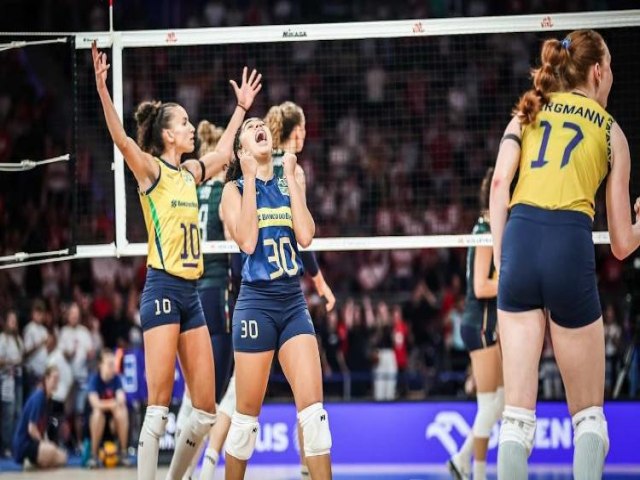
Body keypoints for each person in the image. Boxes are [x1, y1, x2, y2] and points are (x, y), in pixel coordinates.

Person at [91, 41, 262, 480]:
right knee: (158, 406)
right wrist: (103, 89)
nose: (190, 128)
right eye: (184, 123)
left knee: (205, 409)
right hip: (162, 288)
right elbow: (121, 140)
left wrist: (241, 109)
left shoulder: (188, 174)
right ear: (168, 135)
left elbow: (222, 155)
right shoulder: (152, 172)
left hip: (191, 294)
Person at [490, 30, 640, 480]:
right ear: (597, 71)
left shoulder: (529, 109)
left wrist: (501, 258)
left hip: (520, 239)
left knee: (516, 418)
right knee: (589, 418)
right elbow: (621, 243)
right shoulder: (612, 132)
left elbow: (499, 184)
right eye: (610, 66)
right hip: (569, 244)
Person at [220, 117, 332, 479]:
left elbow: (306, 236)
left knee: (315, 417)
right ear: (241, 149)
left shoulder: (291, 176)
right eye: (250, 126)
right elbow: (248, 241)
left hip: (293, 300)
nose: (259, 126)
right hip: (256, 303)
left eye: (261, 123)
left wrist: (293, 180)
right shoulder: (234, 190)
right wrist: (251, 176)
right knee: (245, 422)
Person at [448, 168, 504, 480]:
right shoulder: (484, 230)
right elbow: (481, 287)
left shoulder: (492, 229)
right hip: (478, 324)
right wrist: (513, 280)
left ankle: (468, 464)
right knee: (489, 405)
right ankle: (467, 464)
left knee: (500, 401)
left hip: (487, 324)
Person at [12, 365, 67, 470]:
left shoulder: (49, 400)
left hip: (34, 442)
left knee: (62, 458)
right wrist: (44, 443)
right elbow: (31, 428)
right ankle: (28, 460)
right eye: (54, 378)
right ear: (46, 379)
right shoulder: (39, 397)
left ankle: (37, 462)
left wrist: (47, 443)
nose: (56, 382)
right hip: (25, 444)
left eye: (58, 379)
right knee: (52, 451)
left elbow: (43, 428)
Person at [58, 302, 94, 449]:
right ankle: (63, 442)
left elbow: (91, 352)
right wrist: (70, 353)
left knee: (80, 412)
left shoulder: (84, 332)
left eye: (76, 314)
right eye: (72, 314)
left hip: (82, 377)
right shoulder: (64, 332)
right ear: (68, 316)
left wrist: (90, 354)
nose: (74, 316)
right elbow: (62, 354)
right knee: (67, 412)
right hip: (67, 378)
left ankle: (79, 443)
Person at [86, 348, 130, 468]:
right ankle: (94, 455)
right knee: (97, 413)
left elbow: (121, 399)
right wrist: (112, 404)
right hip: (95, 425)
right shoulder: (94, 379)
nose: (113, 368)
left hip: (113, 424)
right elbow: (95, 403)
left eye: (113, 364)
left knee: (122, 411)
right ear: (100, 365)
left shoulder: (117, 379)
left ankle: (123, 453)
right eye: (110, 364)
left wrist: (110, 404)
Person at [0, 310, 24, 458]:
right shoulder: (2, 339)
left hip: (18, 379)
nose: (13, 323)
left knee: (18, 413)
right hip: (6, 379)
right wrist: (12, 362)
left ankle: (15, 444)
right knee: (8, 414)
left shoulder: (18, 340)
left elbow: (22, 358)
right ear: (6, 322)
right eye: (11, 320)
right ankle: (6, 446)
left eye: (15, 321)